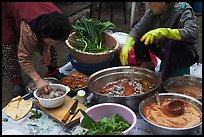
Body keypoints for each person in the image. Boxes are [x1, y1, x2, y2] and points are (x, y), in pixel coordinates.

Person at [2, 2, 73, 97]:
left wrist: (46, 49)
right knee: (10, 46)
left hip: (34, 9)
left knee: (50, 44)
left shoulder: (59, 20)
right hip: (9, 8)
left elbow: (49, 38)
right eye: (54, 42)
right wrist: (38, 80)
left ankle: (52, 72)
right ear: (43, 34)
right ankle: (16, 81)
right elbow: (24, 58)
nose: (55, 44)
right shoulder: (29, 31)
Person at [120, 2, 199, 81]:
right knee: (137, 25)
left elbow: (192, 33)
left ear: (163, 3)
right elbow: (138, 29)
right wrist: (128, 43)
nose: (150, 5)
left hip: (184, 55)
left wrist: (166, 32)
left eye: (152, 3)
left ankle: (164, 77)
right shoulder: (152, 12)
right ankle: (147, 63)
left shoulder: (182, 10)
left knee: (173, 43)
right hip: (163, 49)